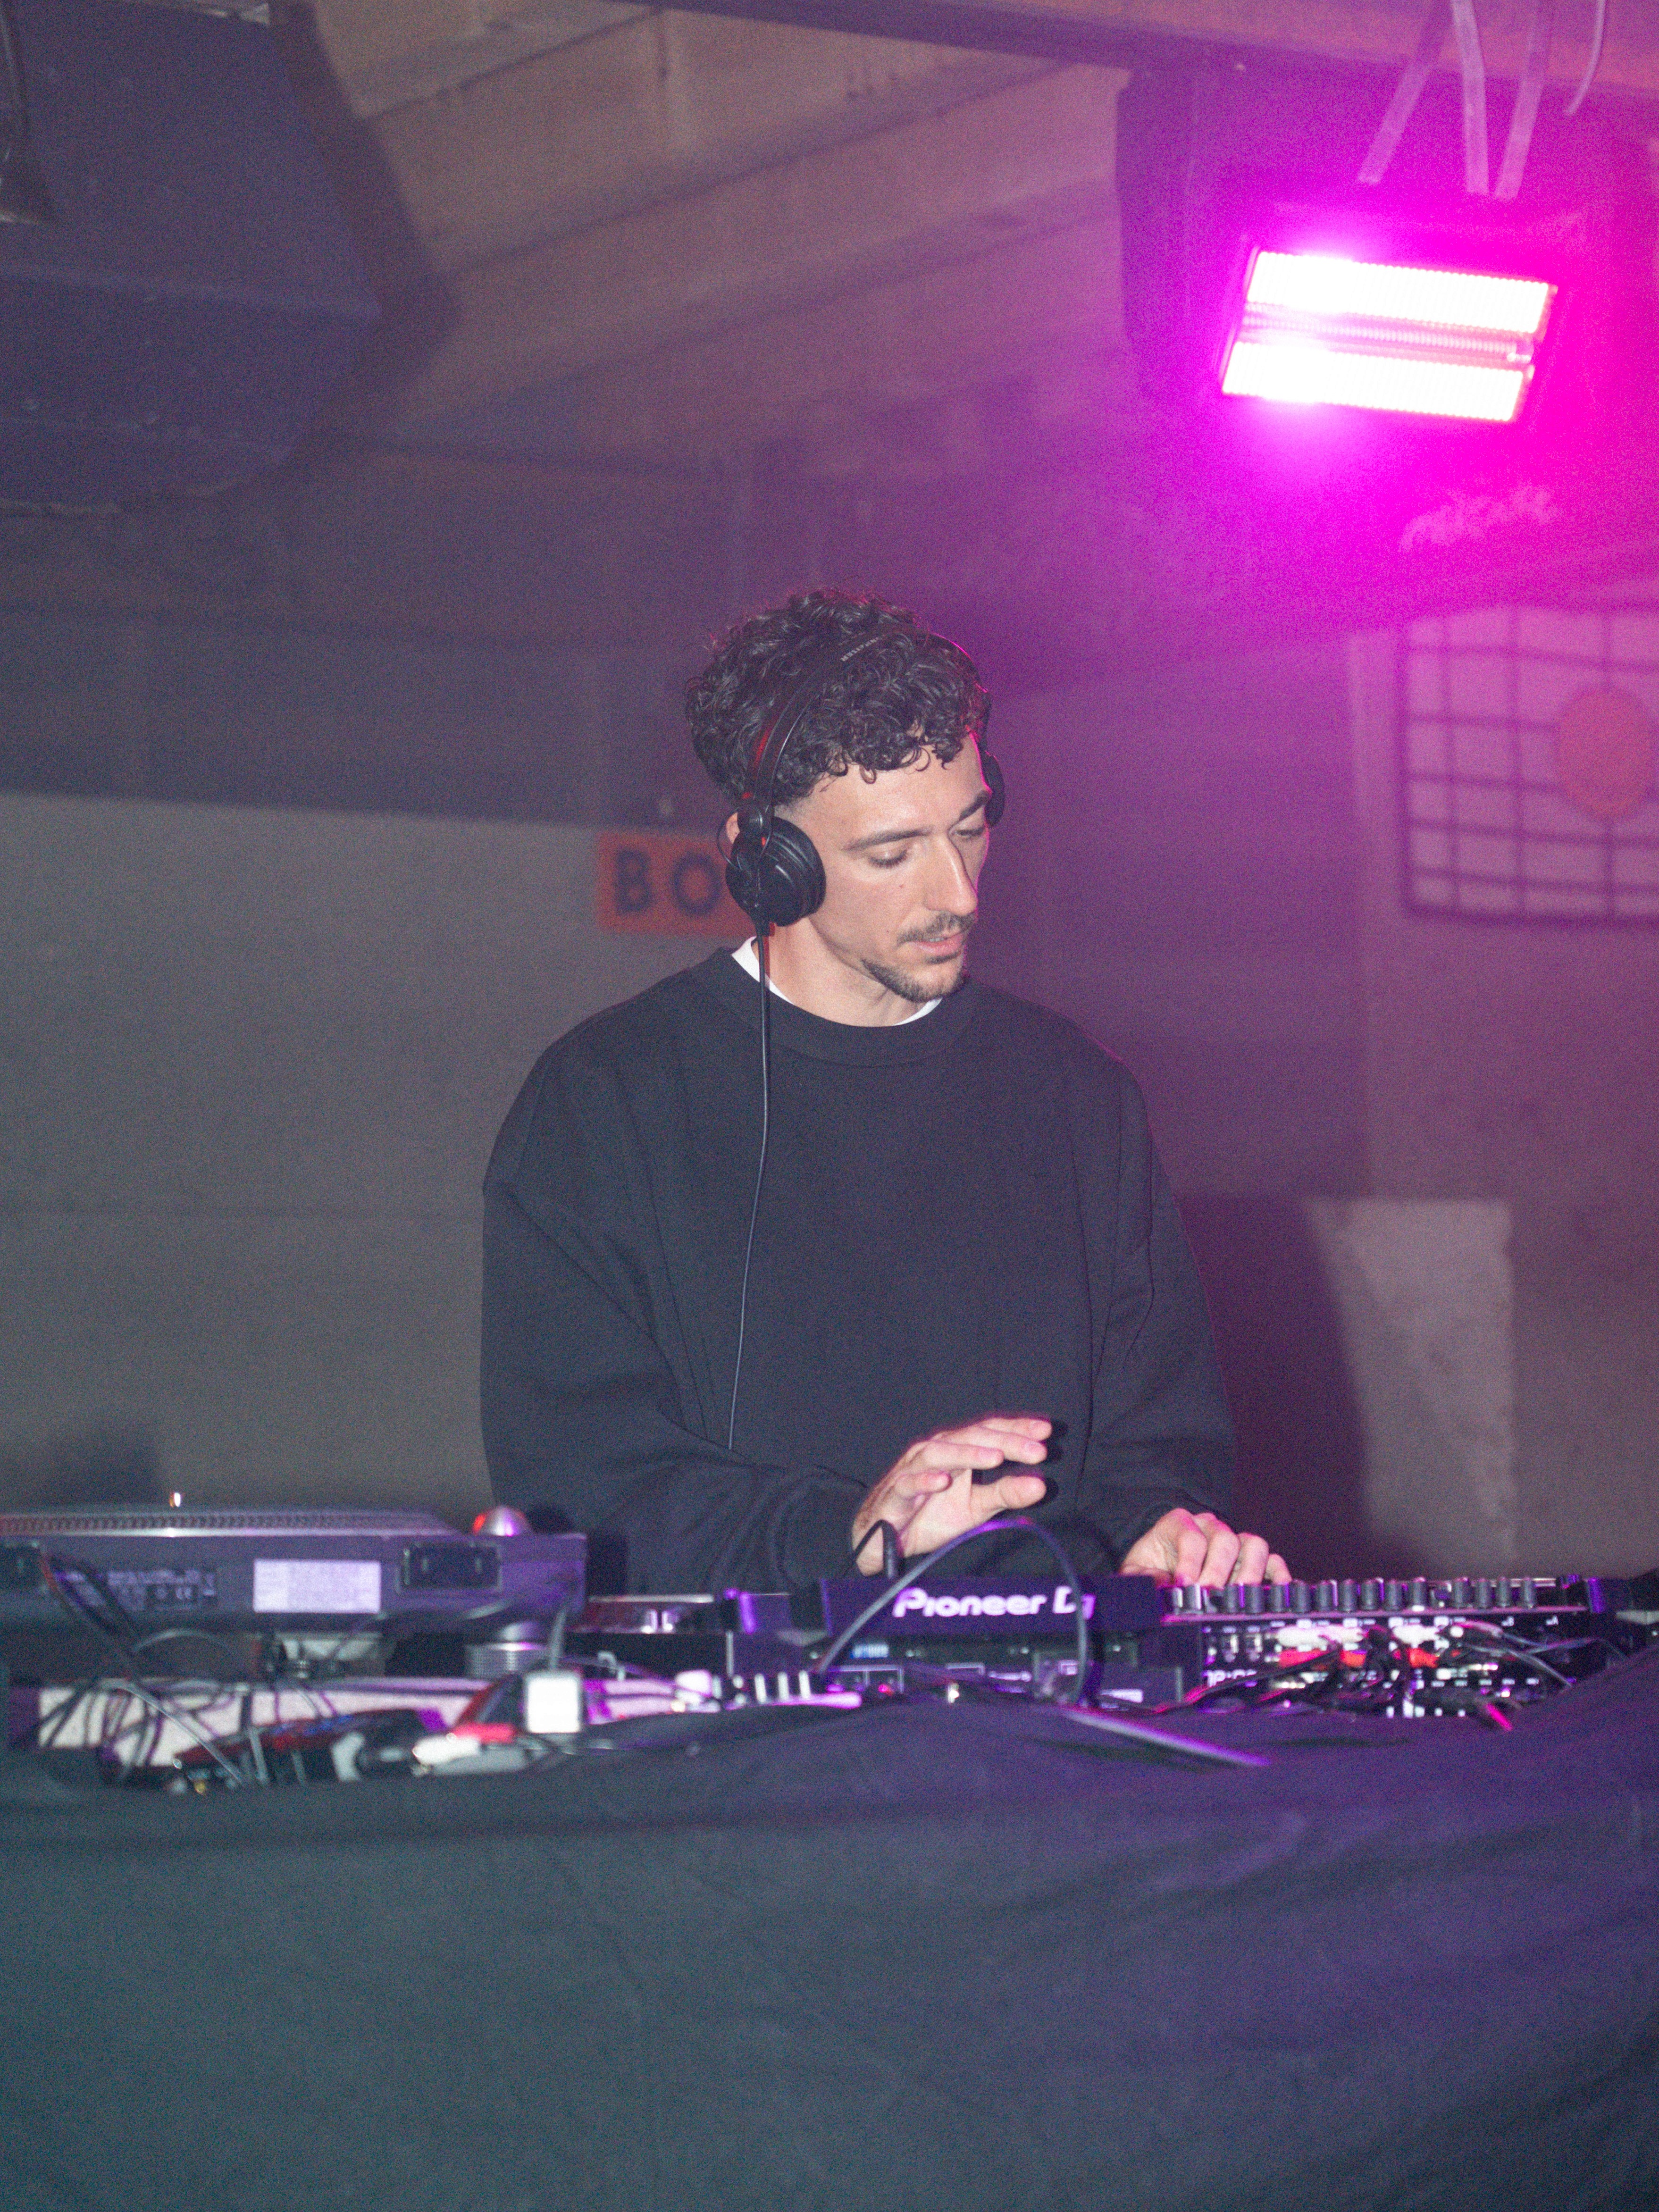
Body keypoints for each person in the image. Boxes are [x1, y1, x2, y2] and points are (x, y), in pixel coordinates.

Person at [481, 588, 1286, 1594]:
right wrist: (852, 1537)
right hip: (742, 1692)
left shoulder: (1081, 1100)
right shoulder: (603, 1105)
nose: (957, 894)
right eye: (892, 854)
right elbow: (582, 1491)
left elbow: (1158, 1449)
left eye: (970, 829)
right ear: (767, 860)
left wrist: (1160, 1538)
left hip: (1045, 1687)